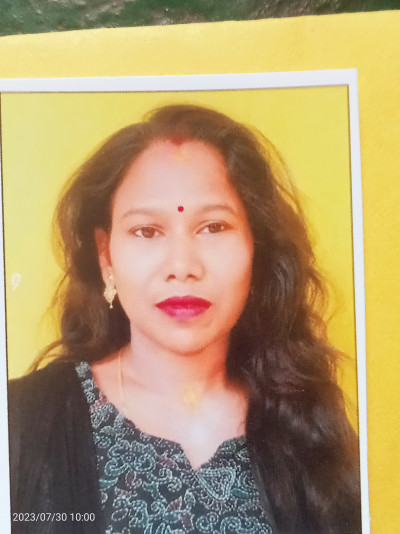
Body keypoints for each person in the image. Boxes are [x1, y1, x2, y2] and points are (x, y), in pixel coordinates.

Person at [8, 104, 361, 534]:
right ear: (106, 257)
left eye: (213, 227)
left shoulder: (308, 424)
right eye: (147, 231)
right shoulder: (22, 423)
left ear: (257, 248)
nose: (182, 266)